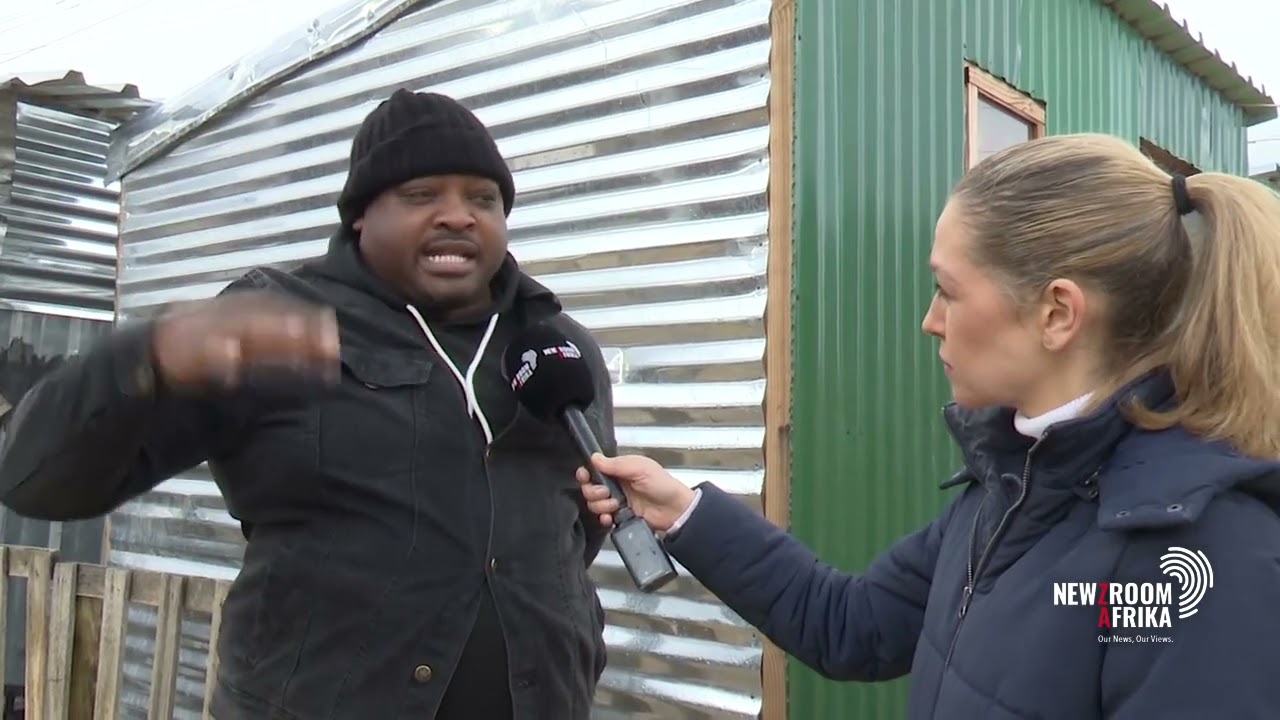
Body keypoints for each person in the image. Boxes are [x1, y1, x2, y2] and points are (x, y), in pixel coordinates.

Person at [577, 133, 1280, 719]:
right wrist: (684, 512)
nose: (930, 320)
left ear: (1057, 314)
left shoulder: (1197, 557)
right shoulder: (1009, 486)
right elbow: (852, 627)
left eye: (948, 290)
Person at [0, 89, 616, 720]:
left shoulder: (558, 347)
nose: (459, 216)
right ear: (360, 216)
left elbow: (580, 527)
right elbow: (36, 482)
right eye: (421, 195)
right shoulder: (272, 325)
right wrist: (147, 359)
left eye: (482, 199)